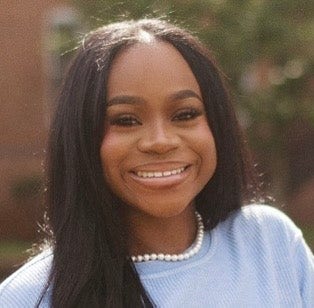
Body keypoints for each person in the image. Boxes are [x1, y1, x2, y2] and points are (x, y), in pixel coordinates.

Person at [0, 18, 313, 308]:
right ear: (82, 138)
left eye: (185, 114)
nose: (161, 141)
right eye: (125, 120)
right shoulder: (30, 296)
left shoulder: (270, 243)